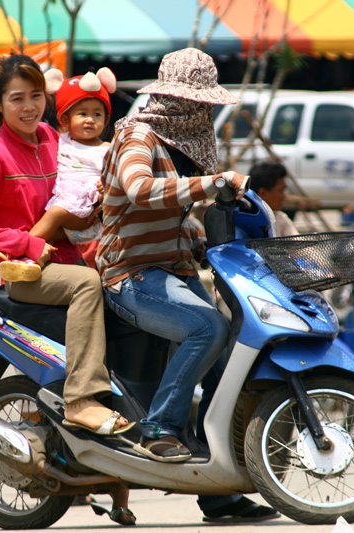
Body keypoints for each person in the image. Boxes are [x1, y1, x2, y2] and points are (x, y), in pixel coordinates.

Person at [0, 54, 136, 524]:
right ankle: (81, 402)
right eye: (17, 99)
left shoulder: (53, 139)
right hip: (29, 276)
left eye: (36, 96)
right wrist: (24, 241)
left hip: (73, 260)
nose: (29, 107)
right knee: (89, 286)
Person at [97, 48, 278, 522]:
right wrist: (210, 184)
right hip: (130, 276)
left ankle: (218, 488)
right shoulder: (137, 136)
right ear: (177, 101)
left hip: (171, 271)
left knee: (227, 361)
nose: (206, 113)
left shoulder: (176, 145)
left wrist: (200, 235)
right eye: (199, 103)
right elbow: (138, 190)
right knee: (208, 330)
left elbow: (172, 217)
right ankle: (159, 428)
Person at [0, 67, 116, 282]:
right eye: (82, 114)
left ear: (106, 121)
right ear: (65, 121)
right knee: (51, 232)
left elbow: (117, 177)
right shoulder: (61, 141)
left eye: (97, 114)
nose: (90, 119)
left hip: (85, 205)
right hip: (67, 202)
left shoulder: (106, 149)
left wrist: (105, 187)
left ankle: (15, 253)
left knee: (55, 215)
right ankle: (33, 261)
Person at [247, 160, 298, 236]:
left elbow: (297, 243)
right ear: (263, 193)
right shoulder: (244, 220)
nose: (284, 196)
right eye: (280, 191)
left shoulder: (280, 218)